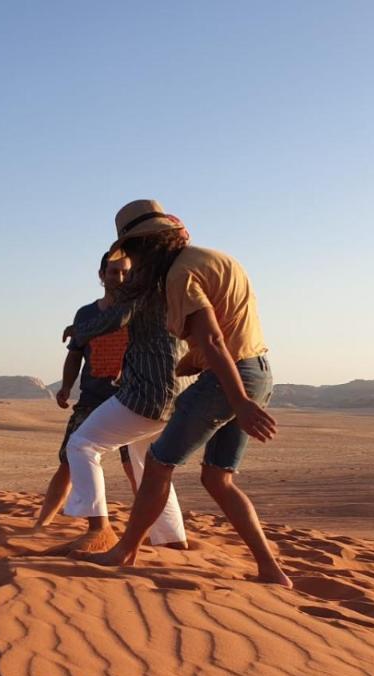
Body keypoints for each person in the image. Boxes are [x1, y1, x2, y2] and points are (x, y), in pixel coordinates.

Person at [78, 199, 292, 585]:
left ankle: (124, 550)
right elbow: (230, 326)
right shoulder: (216, 259)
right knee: (217, 478)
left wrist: (240, 401)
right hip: (259, 371)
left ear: (146, 247)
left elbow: (212, 338)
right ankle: (270, 568)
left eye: (135, 255)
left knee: (159, 464)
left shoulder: (179, 274)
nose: (135, 267)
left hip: (231, 379)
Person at [59, 220, 193, 554]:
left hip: (150, 392)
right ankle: (172, 537)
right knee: (148, 462)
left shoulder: (147, 283)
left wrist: (79, 331)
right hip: (180, 393)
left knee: (82, 445)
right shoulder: (176, 278)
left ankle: (99, 527)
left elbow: (116, 318)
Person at [35, 250, 138, 531]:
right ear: (101, 274)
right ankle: (42, 523)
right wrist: (66, 386)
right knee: (70, 459)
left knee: (135, 468)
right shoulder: (86, 313)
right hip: (92, 397)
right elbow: (75, 353)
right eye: (114, 271)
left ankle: (149, 530)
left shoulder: (139, 310)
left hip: (132, 400)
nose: (120, 278)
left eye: (126, 272)